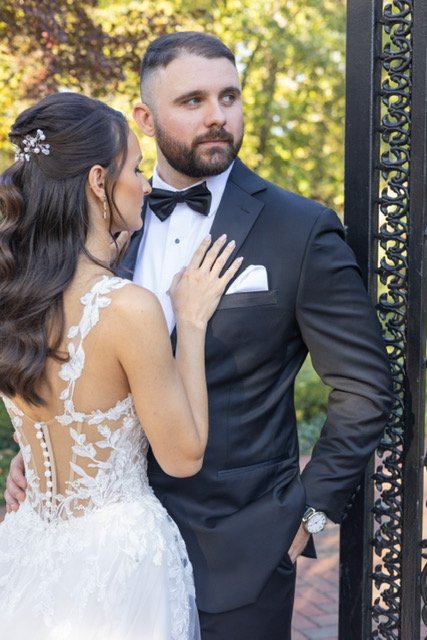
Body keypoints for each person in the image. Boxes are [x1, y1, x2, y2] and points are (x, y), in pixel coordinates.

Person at [5, 32, 393, 639]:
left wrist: (308, 515)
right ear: (145, 118)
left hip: (242, 557)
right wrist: (49, 454)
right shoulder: (109, 226)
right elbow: (78, 358)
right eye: (192, 100)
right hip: (108, 560)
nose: (217, 116)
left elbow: (366, 387)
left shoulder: (301, 229)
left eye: (229, 96)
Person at [0, 91, 242, 640]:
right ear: (96, 182)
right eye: (134, 167)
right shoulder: (128, 307)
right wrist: (193, 322)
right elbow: (182, 457)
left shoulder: (12, 297)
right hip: (116, 562)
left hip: (28, 543)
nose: (147, 182)